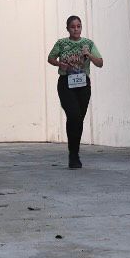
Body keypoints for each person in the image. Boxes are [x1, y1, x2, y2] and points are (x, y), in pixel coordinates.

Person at [46, 15, 104, 169]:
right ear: (68, 28)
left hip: (83, 83)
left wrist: (89, 55)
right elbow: (50, 58)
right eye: (73, 26)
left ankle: (75, 152)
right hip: (66, 82)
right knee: (73, 115)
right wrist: (60, 64)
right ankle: (73, 154)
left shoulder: (88, 43)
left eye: (78, 26)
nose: (76, 29)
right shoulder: (62, 43)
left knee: (78, 119)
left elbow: (100, 63)